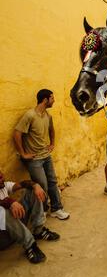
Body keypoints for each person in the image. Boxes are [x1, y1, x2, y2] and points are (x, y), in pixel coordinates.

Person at [13, 89, 70, 220]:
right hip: (34, 159)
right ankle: (42, 210)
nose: (54, 100)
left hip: (46, 155)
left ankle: (57, 208)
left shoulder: (48, 116)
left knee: (52, 182)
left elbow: (52, 130)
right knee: (42, 184)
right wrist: (23, 154)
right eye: (52, 98)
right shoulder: (30, 115)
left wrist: (52, 144)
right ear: (45, 100)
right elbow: (17, 134)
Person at [0, 169, 59, 263]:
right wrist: (9, 202)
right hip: (3, 238)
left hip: (16, 227)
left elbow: (23, 184)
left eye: (0, 173)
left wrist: (35, 185)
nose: (2, 177)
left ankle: (38, 230)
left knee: (32, 191)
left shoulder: (3, 186)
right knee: (3, 212)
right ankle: (30, 245)